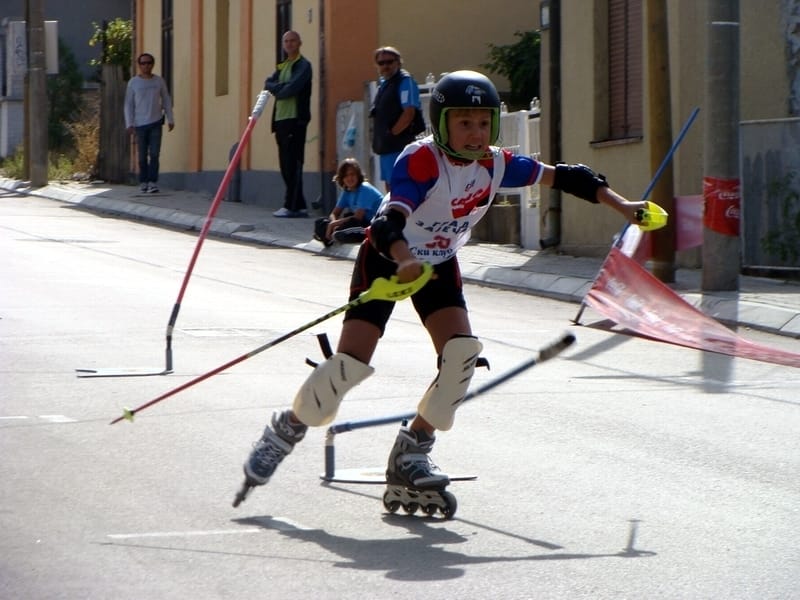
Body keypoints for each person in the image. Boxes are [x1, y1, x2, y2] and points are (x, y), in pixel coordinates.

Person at [239, 71, 657, 504]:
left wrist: (624, 206)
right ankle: (287, 428)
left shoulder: (497, 164)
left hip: (438, 264)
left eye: (483, 123)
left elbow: (572, 177)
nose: (476, 135)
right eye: (464, 123)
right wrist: (404, 260)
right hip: (389, 260)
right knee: (349, 366)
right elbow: (386, 223)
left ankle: (412, 451)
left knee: (461, 356)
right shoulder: (421, 161)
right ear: (441, 123)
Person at [265, 30, 313, 218]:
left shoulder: (303, 65)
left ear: (299, 43)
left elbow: (291, 89)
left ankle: (291, 205)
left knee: (293, 164)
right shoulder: (282, 65)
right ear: (283, 44)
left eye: (293, 41)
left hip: (295, 120)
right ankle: (299, 205)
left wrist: (278, 89)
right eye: (286, 41)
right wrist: (279, 88)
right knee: (285, 164)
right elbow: (267, 83)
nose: (290, 44)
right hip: (280, 120)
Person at [369, 46, 424, 192]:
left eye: (389, 62)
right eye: (381, 63)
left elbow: (409, 113)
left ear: (398, 63)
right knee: (390, 185)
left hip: (400, 146)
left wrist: (392, 134)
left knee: (402, 185)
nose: (385, 66)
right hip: (387, 148)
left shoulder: (404, 82)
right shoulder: (385, 84)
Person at [124, 53, 175, 194]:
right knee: (141, 156)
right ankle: (143, 181)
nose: (146, 65)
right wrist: (129, 123)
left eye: (149, 63)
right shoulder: (133, 83)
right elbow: (128, 104)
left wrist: (170, 118)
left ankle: (153, 182)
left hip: (156, 122)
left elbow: (166, 99)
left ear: (153, 64)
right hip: (139, 124)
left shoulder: (159, 81)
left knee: (154, 153)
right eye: (143, 63)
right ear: (139, 65)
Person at [313, 158, 384, 247]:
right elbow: (334, 213)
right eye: (346, 176)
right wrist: (333, 224)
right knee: (320, 222)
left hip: (372, 225)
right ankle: (333, 236)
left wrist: (334, 225)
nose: (349, 178)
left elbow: (358, 217)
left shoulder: (365, 189)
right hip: (357, 222)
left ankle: (332, 236)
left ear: (358, 175)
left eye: (352, 174)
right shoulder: (347, 191)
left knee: (349, 224)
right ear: (342, 179)